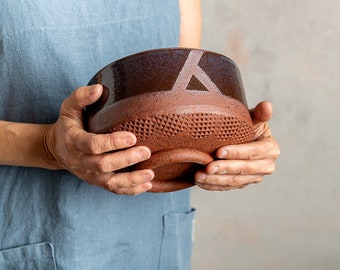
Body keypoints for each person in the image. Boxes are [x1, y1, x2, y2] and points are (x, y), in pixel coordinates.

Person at [0, 0, 280, 269]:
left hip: (155, 235)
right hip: (36, 228)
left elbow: (186, 96)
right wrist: (47, 146)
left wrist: (237, 148)